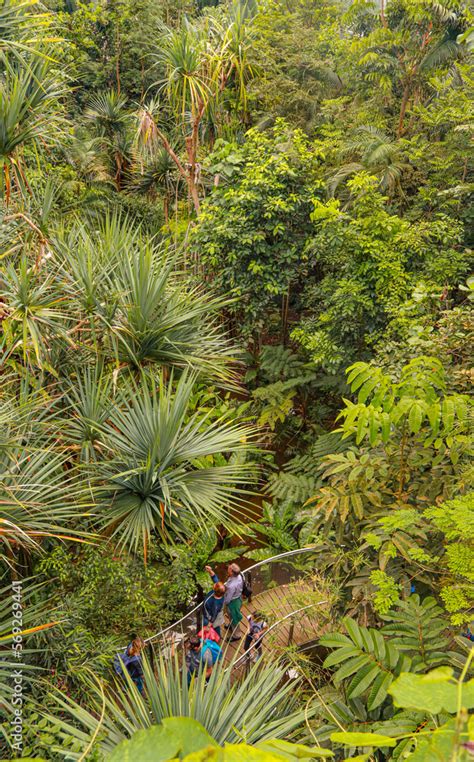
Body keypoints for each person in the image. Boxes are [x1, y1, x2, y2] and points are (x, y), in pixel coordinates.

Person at [205, 563, 243, 642]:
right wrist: (211, 572)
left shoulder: (231, 586)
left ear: (232, 572)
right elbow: (217, 583)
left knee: (234, 618)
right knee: (231, 617)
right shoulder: (239, 575)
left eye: (229, 569)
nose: (228, 568)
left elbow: (227, 599)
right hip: (237, 597)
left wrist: (222, 602)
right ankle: (231, 625)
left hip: (233, 603)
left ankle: (237, 635)